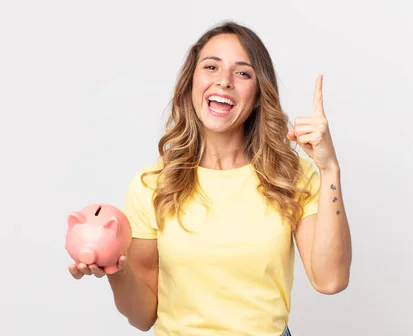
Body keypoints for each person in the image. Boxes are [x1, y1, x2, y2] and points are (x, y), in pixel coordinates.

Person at [68, 21, 352, 336]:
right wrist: (117, 272)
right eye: (211, 67)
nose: (224, 82)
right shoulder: (152, 185)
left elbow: (330, 280)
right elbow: (144, 316)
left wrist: (329, 168)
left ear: (258, 94)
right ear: (192, 81)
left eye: (242, 73)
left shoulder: (290, 176)